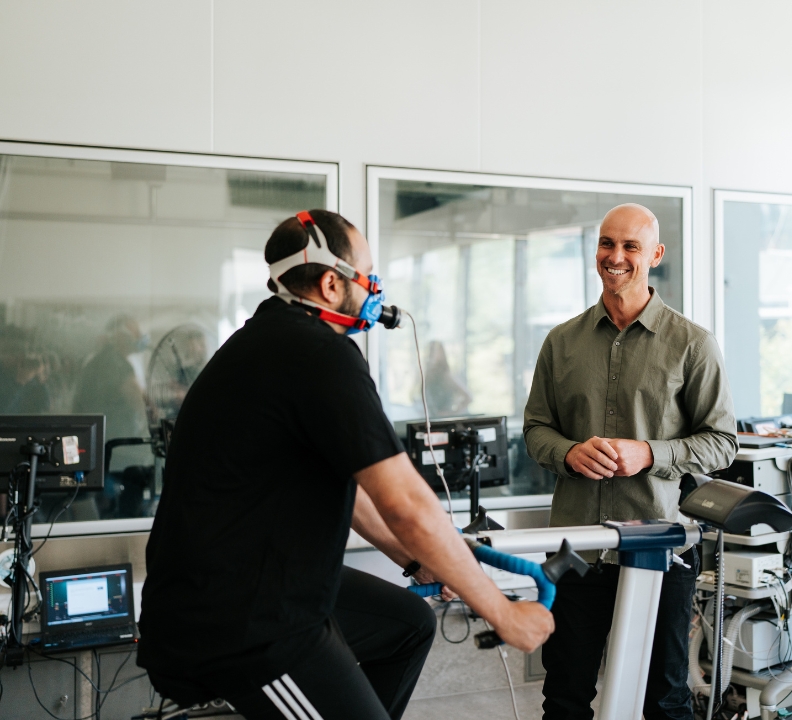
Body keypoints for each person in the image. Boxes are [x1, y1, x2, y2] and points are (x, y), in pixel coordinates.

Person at [137, 210, 553, 720]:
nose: (377, 288)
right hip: (242, 624)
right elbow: (406, 505)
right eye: (369, 274)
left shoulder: (267, 341)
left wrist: (417, 560)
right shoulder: (319, 354)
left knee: (408, 625)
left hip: (246, 587)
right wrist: (503, 612)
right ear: (333, 283)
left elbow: (354, 492)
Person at [523, 203, 738, 720]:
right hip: (578, 549)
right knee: (565, 695)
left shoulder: (693, 345)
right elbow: (535, 431)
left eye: (630, 246)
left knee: (663, 699)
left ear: (656, 255)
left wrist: (650, 453)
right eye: (606, 244)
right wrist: (569, 453)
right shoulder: (561, 342)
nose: (614, 257)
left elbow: (723, 443)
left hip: (659, 549)